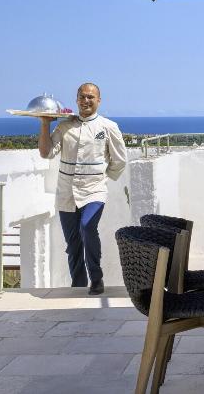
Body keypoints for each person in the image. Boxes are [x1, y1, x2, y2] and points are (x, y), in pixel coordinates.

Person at [38, 83, 126, 295]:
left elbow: (120, 160)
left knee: (87, 227)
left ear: (99, 100)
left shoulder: (108, 127)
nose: (86, 101)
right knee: (73, 243)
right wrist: (45, 124)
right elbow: (46, 153)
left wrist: (102, 177)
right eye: (82, 97)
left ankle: (96, 278)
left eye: (90, 97)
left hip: (94, 190)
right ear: (76, 99)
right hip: (66, 192)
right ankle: (78, 284)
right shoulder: (64, 127)